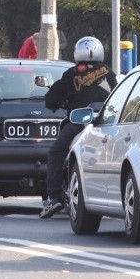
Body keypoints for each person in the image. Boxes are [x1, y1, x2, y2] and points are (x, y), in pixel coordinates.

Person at [40, 36, 118, 218]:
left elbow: (51, 98)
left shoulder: (72, 74)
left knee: (56, 151)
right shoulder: (108, 72)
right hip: (105, 123)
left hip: (79, 122)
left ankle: (53, 197)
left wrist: (56, 103)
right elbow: (117, 94)